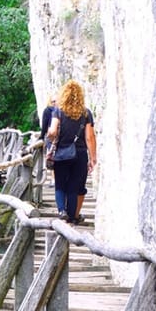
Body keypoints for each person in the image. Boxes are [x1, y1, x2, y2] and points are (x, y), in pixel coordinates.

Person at [45, 80, 97, 225]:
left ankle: (62, 212)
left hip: (61, 153)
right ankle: (73, 217)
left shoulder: (58, 111)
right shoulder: (86, 113)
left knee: (60, 185)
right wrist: (93, 158)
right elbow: (89, 137)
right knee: (74, 187)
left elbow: (53, 131)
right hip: (79, 154)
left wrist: (49, 135)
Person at [40, 96, 58, 188]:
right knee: (55, 158)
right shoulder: (60, 111)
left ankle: (53, 180)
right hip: (57, 137)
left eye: (55, 101)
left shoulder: (47, 110)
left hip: (51, 137)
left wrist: (42, 137)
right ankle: (55, 179)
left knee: (52, 158)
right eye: (53, 101)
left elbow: (44, 125)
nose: (54, 103)